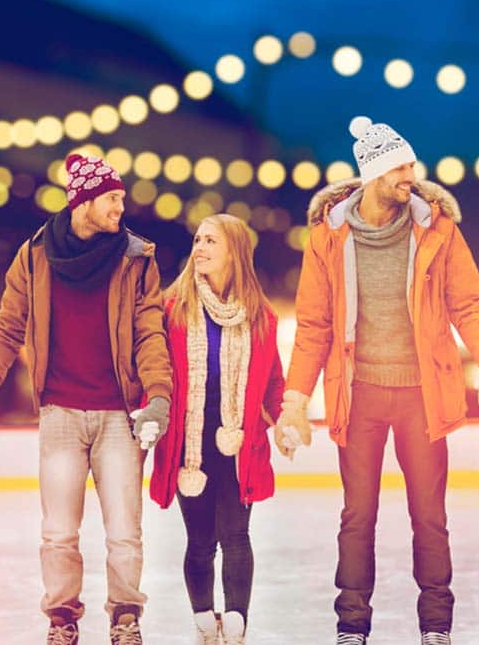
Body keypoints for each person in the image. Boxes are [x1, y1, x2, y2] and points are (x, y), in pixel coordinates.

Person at [284, 116, 479, 645]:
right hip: (359, 393)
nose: (410, 174)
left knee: (430, 515)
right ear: (372, 173)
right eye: (399, 166)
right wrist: (296, 399)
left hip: (422, 394)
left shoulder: (438, 230)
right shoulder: (328, 239)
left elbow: (469, 305)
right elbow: (314, 325)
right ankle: (352, 625)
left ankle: (436, 626)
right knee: (357, 514)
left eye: (411, 164)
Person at [0, 152, 172, 645]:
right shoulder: (34, 256)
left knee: (125, 530)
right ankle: (62, 619)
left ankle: (125, 617)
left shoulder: (136, 257)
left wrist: (158, 393)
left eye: (122, 198)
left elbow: (150, 332)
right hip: (59, 413)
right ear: (84, 200)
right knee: (58, 531)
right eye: (113, 198)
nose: (122, 207)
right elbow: (8, 327)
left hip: (119, 415)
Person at [148, 214, 293, 645]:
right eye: (197, 240)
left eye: (211, 240)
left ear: (234, 250)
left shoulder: (260, 316)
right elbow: (152, 370)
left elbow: (273, 382)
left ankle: (235, 623)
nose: (200, 248)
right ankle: (202, 622)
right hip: (187, 444)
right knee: (199, 541)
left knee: (235, 535)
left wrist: (284, 421)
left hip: (239, 443)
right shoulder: (171, 309)